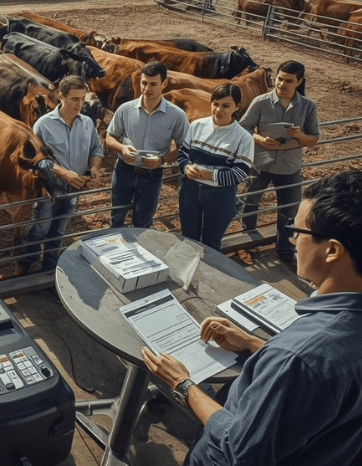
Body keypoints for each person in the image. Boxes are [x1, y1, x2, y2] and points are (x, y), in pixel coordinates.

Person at [142, 170, 362, 466]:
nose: (293, 239)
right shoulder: (315, 349)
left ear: (332, 250)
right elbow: (316, 385)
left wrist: (182, 383)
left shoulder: (299, 356)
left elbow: (239, 449)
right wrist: (251, 343)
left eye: (299, 231)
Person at [239, 60, 319, 268]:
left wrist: (300, 135)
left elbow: (313, 140)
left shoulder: (308, 106)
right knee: (250, 203)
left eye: (289, 81)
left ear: (299, 81)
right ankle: (246, 245)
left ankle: (284, 249)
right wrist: (260, 140)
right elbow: (243, 128)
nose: (282, 84)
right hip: (261, 163)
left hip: (289, 167)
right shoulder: (260, 102)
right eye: (279, 79)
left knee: (289, 209)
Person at [22, 75, 104, 272]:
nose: (79, 104)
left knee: (59, 230)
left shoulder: (87, 123)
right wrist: (62, 172)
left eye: (82, 99)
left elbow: (96, 149)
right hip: (48, 188)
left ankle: (49, 268)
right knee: (41, 228)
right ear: (61, 97)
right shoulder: (43, 124)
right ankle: (26, 263)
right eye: (74, 99)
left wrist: (94, 168)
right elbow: (34, 158)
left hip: (74, 188)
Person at [106, 61, 189, 229]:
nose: (147, 88)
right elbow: (109, 137)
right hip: (123, 171)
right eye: (144, 83)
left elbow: (185, 148)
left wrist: (162, 160)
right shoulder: (125, 109)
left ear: (164, 84)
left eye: (153, 84)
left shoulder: (177, 116)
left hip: (152, 176)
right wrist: (122, 148)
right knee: (116, 218)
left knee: (143, 222)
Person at [178, 83, 254, 252]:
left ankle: (207, 270)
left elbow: (240, 173)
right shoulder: (197, 125)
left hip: (220, 196)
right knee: (188, 241)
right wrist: (186, 167)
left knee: (211, 245)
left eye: (226, 106)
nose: (218, 110)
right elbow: (183, 153)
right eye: (215, 104)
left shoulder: (243, 137)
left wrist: (210, 175)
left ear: (237, 107)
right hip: (190, 190)